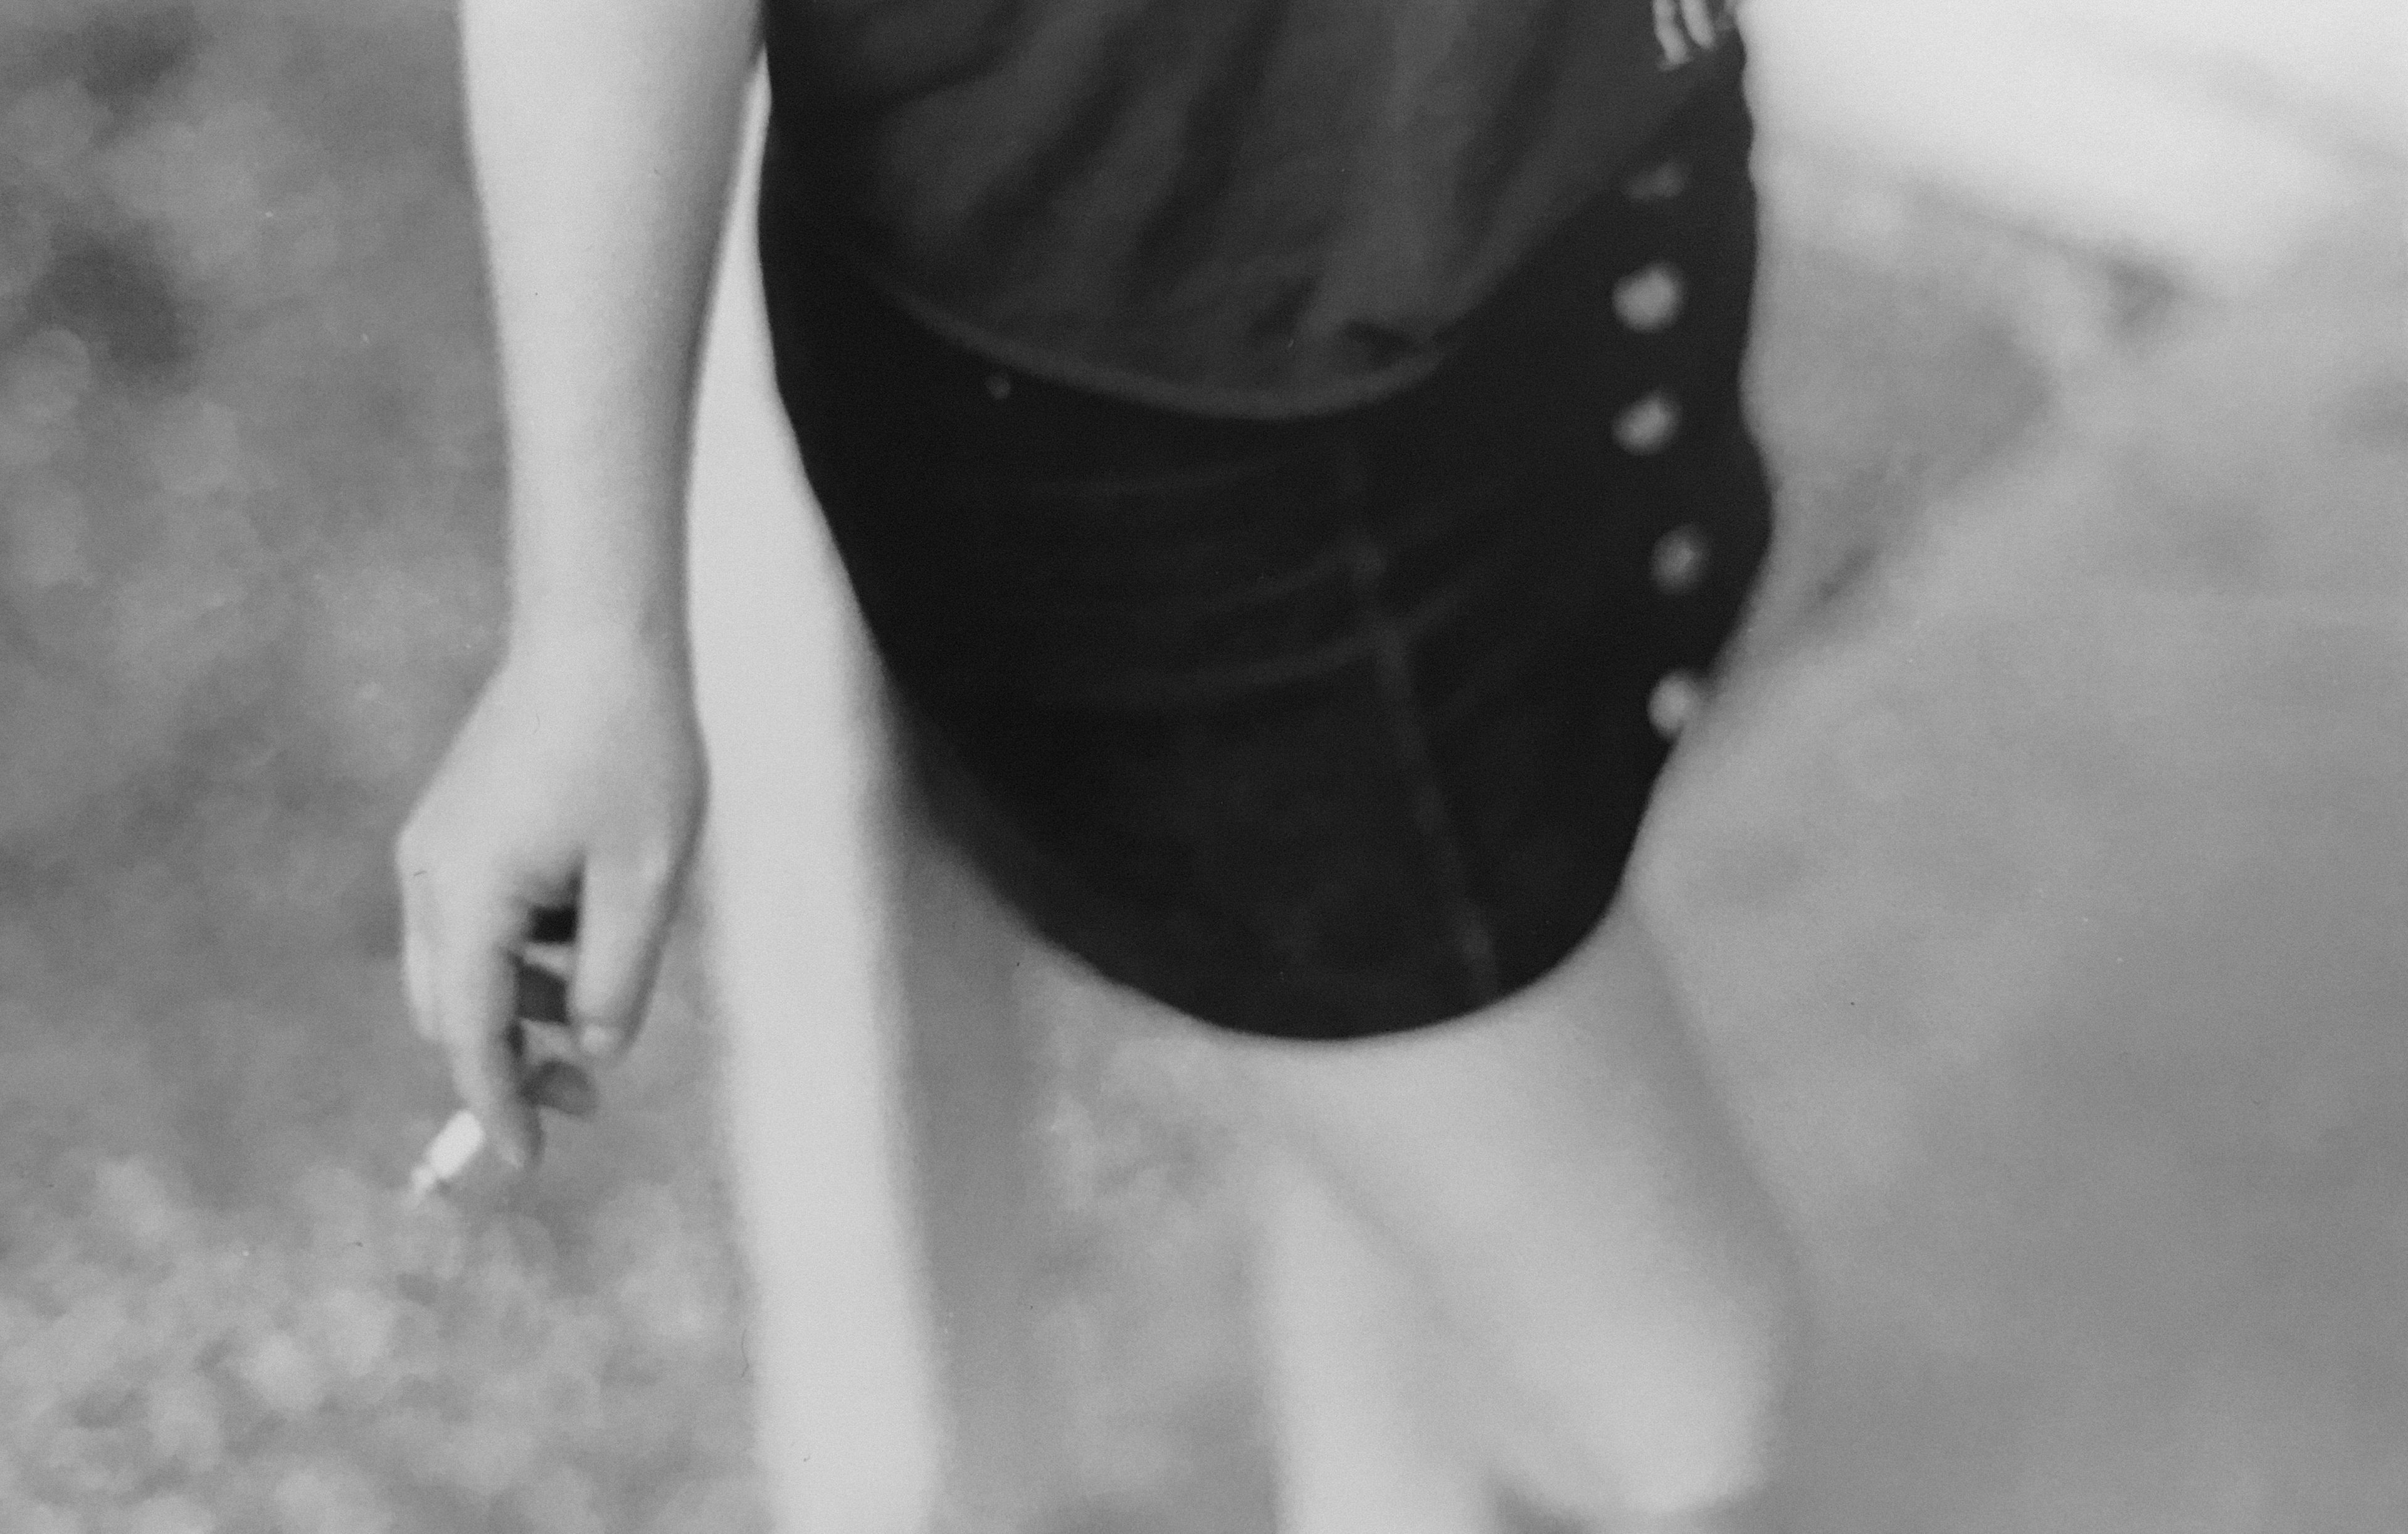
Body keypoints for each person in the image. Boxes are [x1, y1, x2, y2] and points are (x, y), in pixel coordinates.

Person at [394, 0, 1808, 1530]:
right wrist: (589, 637)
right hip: (1185, 407)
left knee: (1400, 1215)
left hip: (1563, 188)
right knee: (1688, 1403)